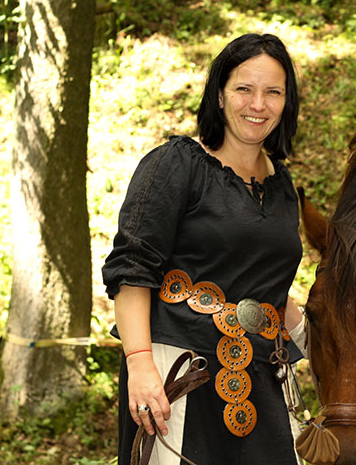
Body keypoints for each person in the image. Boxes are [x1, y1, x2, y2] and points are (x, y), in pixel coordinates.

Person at [103, 33, 306, 465]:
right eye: (244, 88)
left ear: (287, 102)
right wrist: (140, 364)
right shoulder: (178, 164)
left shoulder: (282, 185)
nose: (258, 104)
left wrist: (322, 346)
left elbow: (270, 288)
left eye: (273, 92)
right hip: (180, 368)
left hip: (263, 373)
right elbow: (132, 269)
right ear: (219, 94)